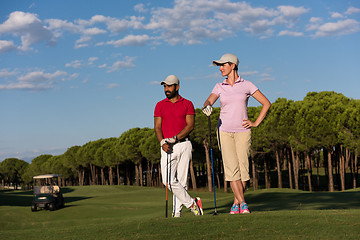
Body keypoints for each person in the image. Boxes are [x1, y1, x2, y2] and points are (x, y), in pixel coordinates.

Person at [202, 53, 271, 214]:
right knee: (232, 169)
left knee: (243, 171)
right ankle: (243, 203)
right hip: (224, 132)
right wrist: (207, 106)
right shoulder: (219, 86)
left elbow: (266, 103)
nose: (220, 68)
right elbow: (209, 100)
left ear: (232, 65)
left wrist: (255, 123)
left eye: (223, 65)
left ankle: (235, 204)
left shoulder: (247, 85)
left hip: (243, 132)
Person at [154, 74, 203, 218]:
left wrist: (175, 138)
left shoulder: (187, 103)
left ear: (177, 87)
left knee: (182, 181)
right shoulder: (160, 105)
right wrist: (162, 142)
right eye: (165, 86)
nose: (166, 89)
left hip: (184, 144)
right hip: (167, 146)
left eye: (169, 86)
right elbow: (157, 127)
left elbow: (190, 126)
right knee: (168, 181)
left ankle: (177, 214)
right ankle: (192, 204)